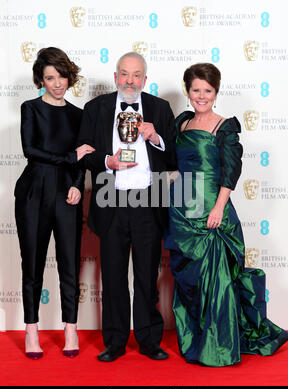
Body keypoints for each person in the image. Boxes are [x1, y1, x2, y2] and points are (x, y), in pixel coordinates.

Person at [164, 63, 288, 367]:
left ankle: (219, 347)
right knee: (189, 279)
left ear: (216, 92)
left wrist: (219, 207)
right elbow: (174, 161)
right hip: (182, 211)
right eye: (196, 90)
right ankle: (195, 337)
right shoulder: (181, 123)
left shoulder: (225, 127)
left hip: (212, 213)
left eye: (207, 91)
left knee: (217, 281)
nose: (201, 96)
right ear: (188, 91)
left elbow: (231, 171)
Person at [77, 51, 177, 362]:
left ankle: (149, 340)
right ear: (116, 77)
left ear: (145, 80)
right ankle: (116, 341)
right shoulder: (95, 108)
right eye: (124, 74)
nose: (129, 80)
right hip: (111, 199)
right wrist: (106, 160)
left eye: (136, 75)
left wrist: (156, 137)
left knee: (146, 276)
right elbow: (83, 152)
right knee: (114, 275)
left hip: (148, 200)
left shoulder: (160, 108)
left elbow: (174, 156)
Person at [14, 47, 95, 359]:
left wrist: (77, 185)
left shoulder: (78, 115)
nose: (57, 83)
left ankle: (70, 327)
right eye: (50, 78)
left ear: (69, 76)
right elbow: (30, 150)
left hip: (66, 195)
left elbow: (83, 156)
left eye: (61, 76)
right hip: (33, 192)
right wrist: (69, 158)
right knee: (32, 264)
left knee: (69, 263)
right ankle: (31, 330)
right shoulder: (30, 108)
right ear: (41, 80)